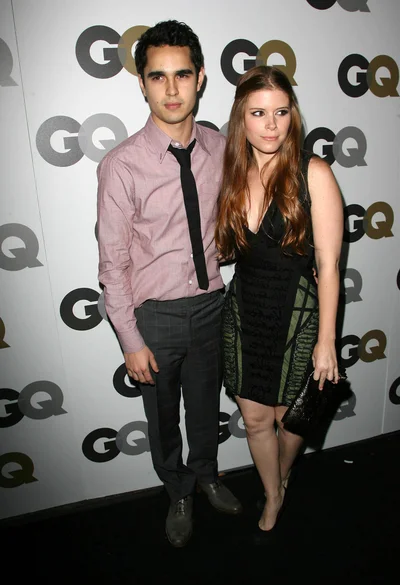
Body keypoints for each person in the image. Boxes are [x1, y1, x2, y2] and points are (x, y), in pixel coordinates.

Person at [96, 20, 242, 548]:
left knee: (205, 407)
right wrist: (130, 339)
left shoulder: (223, 148)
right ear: (142, 84)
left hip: (211, 305)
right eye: (158, 77)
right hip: (154, 316)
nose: (172, 89)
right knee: (162, 419)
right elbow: (111, 264)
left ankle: (206, 475)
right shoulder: (122, 166)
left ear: (201, 77)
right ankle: (177, 490)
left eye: (183, 75)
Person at [216, 66, 343, 536]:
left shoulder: (314, 172)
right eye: (258, 113)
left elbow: (329, 265)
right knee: (253, 418)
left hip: (297, 310)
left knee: (291, 419)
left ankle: (283, 472)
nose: (271, 124)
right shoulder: (233, 173)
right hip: (244, 309)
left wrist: (326, 340)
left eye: (281, 112)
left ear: (293, 116)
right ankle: (273, 495)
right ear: (241, 119)